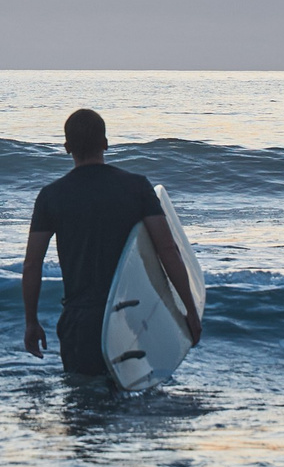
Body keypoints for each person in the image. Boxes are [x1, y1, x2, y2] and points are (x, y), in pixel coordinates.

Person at [22, 107, 202, 377]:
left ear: (67, 147)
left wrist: (31, 322)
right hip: (131, 316)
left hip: (79, 321)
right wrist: (189, 309)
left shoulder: (51, 196)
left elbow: (32, 264)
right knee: (133, 403)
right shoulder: (137, 187)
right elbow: (168, 250)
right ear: (105, 143)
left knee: (81, 406)